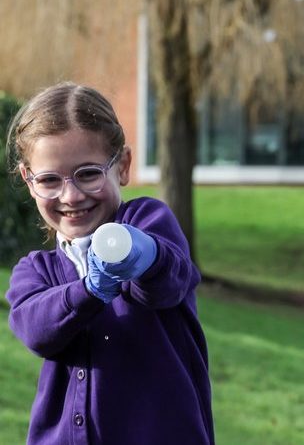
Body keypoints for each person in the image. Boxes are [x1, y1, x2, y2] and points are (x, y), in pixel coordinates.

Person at [4, 82, 214, 445]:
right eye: (50, 180)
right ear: (28, 180)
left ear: (123, 165)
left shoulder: (148, 220)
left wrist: (140, 255)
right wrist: (88, 291)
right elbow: (36, 331)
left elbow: (167, 281)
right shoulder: (35, 270)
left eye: (88, 173)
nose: (70, 195)